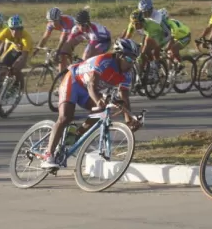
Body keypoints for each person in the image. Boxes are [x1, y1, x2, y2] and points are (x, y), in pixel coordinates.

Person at [40, 39, 140, 170]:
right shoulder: (104, 61)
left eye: (134, 59)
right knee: (65, 117)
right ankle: (48, 154)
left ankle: (76, 135)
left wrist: (129, 118)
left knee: (101, 112)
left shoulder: (128, 73)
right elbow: (91, 85)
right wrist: (98, 100)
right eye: (129, 58)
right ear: (119, 55)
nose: (131, 63)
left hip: (88, 90)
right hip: (74, 82)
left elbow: (124, 95)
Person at [0, 15, 32, 92]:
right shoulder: (6, 31)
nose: (15, 32)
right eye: (12, 29)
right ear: (9, 28)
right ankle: (1, 87)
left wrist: (16, 68)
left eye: (18, 29)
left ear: (22, 29)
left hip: (25, 52)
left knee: (15, 69)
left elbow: (24, 56)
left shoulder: (26, 38)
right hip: (14, 49)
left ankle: (19, 88)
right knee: (1, 66)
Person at [34, 8, 76, 72]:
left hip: (75, 29)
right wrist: (37, 49)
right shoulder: (50, 24)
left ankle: (73, 69)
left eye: (55, 21)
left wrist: (58, 51)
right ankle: (64, 72)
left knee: (62, 51)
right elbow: (45, 37)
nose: (53, 23)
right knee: (61, 52)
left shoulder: (66, 21)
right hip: (66, 30)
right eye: (51, 21)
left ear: (60, 18)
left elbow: (63, 39)